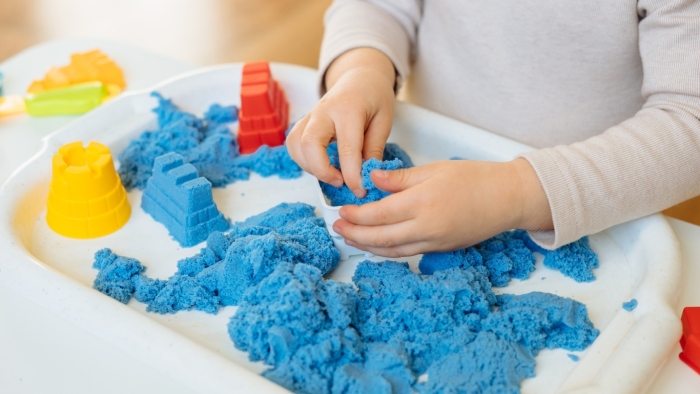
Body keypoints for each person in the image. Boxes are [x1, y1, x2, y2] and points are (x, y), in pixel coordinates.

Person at [286, 0, 700, 257]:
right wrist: (361, 70)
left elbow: (689, 119)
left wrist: (514, 192)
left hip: (583, 212)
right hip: (430, 157)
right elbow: (379, 6)